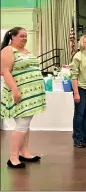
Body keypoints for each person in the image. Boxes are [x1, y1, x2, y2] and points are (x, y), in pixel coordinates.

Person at [0, 27, 46, 168]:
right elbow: (5, 71)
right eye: (21, 36)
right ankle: (13, 157)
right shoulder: (8, 50)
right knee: (22, 123)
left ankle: (24, 152)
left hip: (30, 95)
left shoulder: (26, 51)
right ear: (12, 37)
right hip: (18, 92)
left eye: (26, 36)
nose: (25, 38)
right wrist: (15, 90)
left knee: (25, 123)